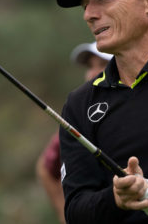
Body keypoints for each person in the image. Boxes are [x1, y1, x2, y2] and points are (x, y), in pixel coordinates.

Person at [55, 0, 148, 223]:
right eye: (86, 5)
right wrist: (115, 200)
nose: (89, 15)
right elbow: (76, 209)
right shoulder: (80, 104)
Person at [36, 42, 111, 224]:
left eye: (102, 65)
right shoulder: (82, 115)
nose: (91, 74)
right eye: (90, 66)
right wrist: (65, 216)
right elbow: (46, 167)